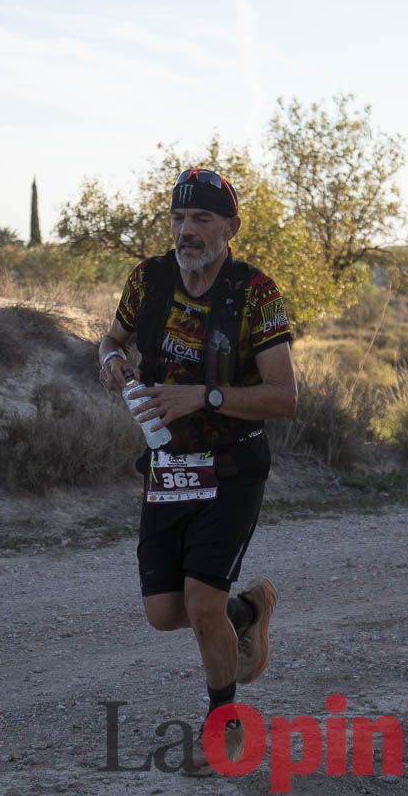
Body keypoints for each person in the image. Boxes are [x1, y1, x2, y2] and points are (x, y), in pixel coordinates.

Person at [98, 167, 297, 775]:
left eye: (202, 219)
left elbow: (284, 396)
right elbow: (112, 339)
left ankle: (226, 732)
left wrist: (204, 397)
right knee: (165, 613)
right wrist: (110, 360)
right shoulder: (148, 278)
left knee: (201, 603)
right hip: (168, 465)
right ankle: (247, 614)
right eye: (179, 218)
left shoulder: (255, 292)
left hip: (232, 467)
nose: (187, 231)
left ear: (230, 227)